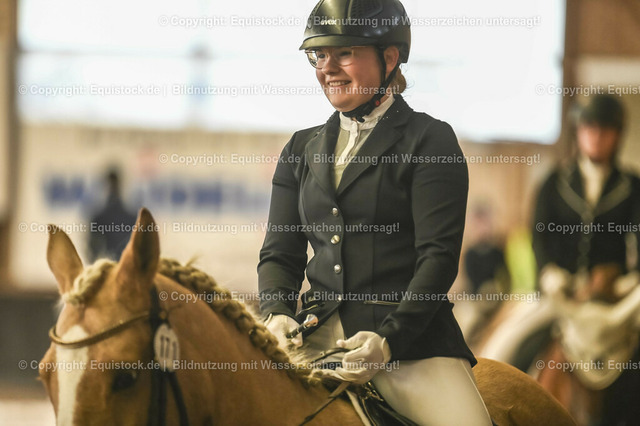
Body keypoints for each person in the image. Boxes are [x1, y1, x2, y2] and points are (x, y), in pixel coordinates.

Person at [258, 1, 492, 424]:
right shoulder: (300, 148)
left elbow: (437, 259)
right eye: (319, 55)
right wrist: (276, 312)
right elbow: (280, 253)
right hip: (314, 337)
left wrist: (388, 341)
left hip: (410, 347)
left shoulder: (430, 140)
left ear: (390, 57)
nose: (327, 68)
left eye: (344, 53)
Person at [532, 94, 640, 425]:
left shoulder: (633, 187)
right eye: (589, 128)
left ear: (617, 135)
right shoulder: (553, 183)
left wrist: (630, 280)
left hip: (613, 297)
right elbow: (539, 237)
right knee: (513, 341)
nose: (596, 136)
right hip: (562, 294)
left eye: (605, 130)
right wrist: (549, 274)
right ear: (578, 132)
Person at [88, 169, 137, 262]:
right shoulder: (132, 218)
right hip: (125, 266)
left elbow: (92, 255)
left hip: (110, 266)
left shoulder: (99, 218)